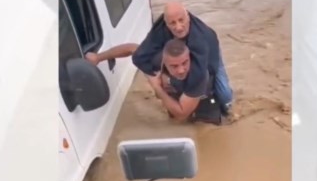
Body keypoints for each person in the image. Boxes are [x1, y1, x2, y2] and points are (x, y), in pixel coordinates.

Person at [131, 1, 233, 115]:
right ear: (166, 23)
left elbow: (206, 72)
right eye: (172, 23)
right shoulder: (160, 28)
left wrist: (175, 83)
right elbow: (139, 57)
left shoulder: (202, 38)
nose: (178, 27)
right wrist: (159, 76)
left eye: (181, 20)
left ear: (188, 17)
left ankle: (229, 109)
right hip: (182, 51)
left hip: (210, 53)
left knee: (225, 96)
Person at [86, 39, 222, 124]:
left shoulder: (199, 74)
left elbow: (182, 113)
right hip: (179, 95)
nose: (181, 70)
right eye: (174, 66)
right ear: (165, 61)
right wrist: (98, 57)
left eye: (184, 63)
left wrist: (157, 88)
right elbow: (132, 48)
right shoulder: (157, 60)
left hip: (205, 105)